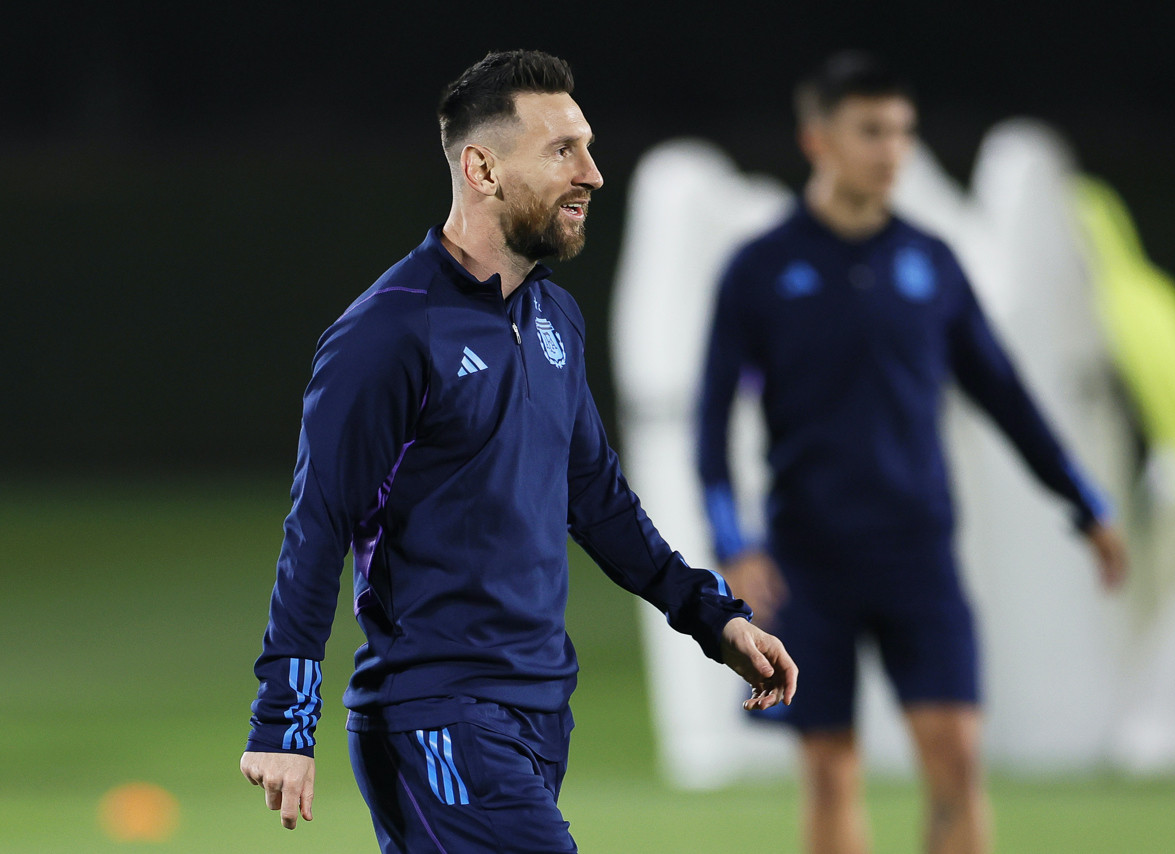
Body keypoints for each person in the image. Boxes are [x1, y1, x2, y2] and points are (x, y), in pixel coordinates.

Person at [239, 49, 797, 853]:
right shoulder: (390, 332)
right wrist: (283, 722)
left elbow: (597, 499)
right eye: (562, 151)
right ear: (482, 168)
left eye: (588, 147)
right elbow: (317, 525)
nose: (592, 174)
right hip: (435, 714)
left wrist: (713, 619)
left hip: (539, 711)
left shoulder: (553, 319)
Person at [697, 52, 1127, 854]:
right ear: (816, 139)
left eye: (901, 132)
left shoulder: (930, 262)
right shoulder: (759, 271)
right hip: (807, 560)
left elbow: (1008, 400)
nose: (890, 150)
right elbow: (710, 427)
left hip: (919, 554)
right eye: (870, 131)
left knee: (958, 758)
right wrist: (735, 543)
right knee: (829, 766)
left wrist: (1087, 506)